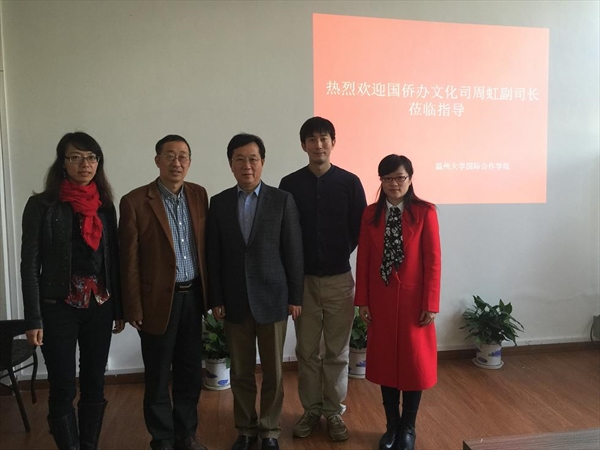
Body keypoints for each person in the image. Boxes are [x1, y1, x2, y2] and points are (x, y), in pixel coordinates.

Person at [20, 132, 124, 450]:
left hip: (99, 304)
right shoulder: (42, 205)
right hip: (57, 307)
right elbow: (30, 264)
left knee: (94, 382)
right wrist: (33, 319)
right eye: (76, 157)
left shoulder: (105, 206)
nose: (85, 164)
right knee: (63, 385)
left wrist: (119, 310)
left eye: (91, 157)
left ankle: (88, 445)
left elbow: (113, 260)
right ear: (62, 163)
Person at [207, 133, 304, 450]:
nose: (246, 165)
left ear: (262, 162)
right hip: (235, 300)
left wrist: (296, 297)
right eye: (240, 159)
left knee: (274, 371)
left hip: (274, 298)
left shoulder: (282, 200)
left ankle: (270, 430)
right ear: (230, 164)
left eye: (253, 159)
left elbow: (293, 251)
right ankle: (246, 428)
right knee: (241, 371)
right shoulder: (219, 202)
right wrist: (216, 297)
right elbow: (213, 254)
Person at [279, 117, 366, 441]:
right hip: (302, 282)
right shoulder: (290, 184)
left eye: (324, 138)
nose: (319, 145)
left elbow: (359, 229)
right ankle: (311, 409)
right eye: (312, 139)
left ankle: (334, 412)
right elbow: (285, 232)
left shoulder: (349, 182)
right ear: (303, 145)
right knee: (306, 351)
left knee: (337, 351)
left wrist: (337, 252)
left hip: (339, 280)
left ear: (333, 142)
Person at [119, 135, 209, 450]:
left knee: (190, 370)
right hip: (156, 301)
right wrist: (133, 307)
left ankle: (186, 434)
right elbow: (128, 261)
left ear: (189, 162)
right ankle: (162, 439)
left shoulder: (199, 194)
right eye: (169, 155)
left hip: (193, 297)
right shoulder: (134, 201)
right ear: (157, 160)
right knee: (157, 373)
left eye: (183, 156)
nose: (176, 162)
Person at [354, 154, 441, 450]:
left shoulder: (425, 212)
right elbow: (364, 260)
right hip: (381, 301)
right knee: (385, 364)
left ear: (410, 178)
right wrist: (363, 301)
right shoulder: (370, 214)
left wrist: (431, 303)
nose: (394, 184)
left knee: (414, 365)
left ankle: (408, 428)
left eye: (400, 177)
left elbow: (433, 261)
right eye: (388, 178)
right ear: (381, 181)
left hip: (415, 303)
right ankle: (392, 426)